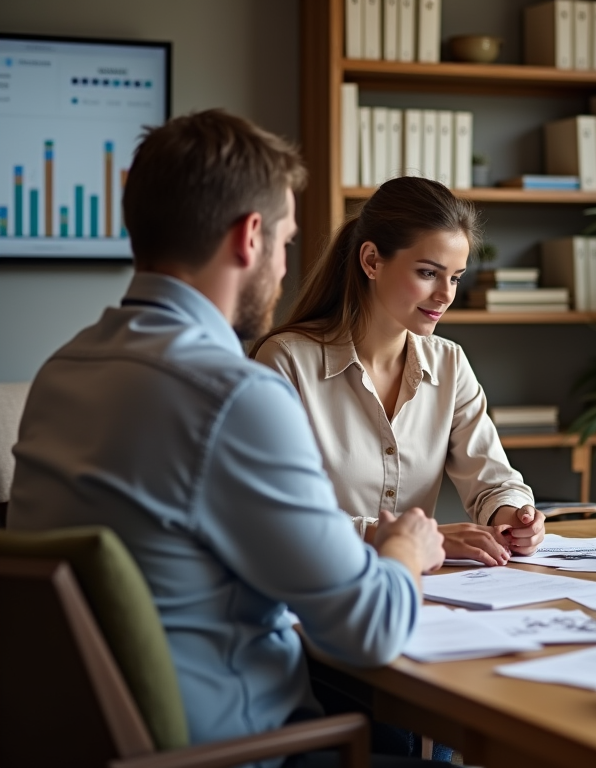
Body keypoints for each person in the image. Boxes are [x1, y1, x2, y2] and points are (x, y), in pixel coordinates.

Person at [7, 110, 448, 767]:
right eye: (286, 241)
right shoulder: (235, 396)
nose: (284, 266)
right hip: (242, 750)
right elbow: (372, 628)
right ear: (249, 238)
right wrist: (406, 548)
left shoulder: (62, 369)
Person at [251, 176, 545, 566]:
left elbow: (493, 480)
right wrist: (415, 539)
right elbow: (276, 515)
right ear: (372, 260)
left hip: (416, 590)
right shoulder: (287, 362)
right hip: (310, 587)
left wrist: (514, 518)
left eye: (454, 277)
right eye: (428, 273)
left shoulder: (449, 363)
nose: (446, 295)